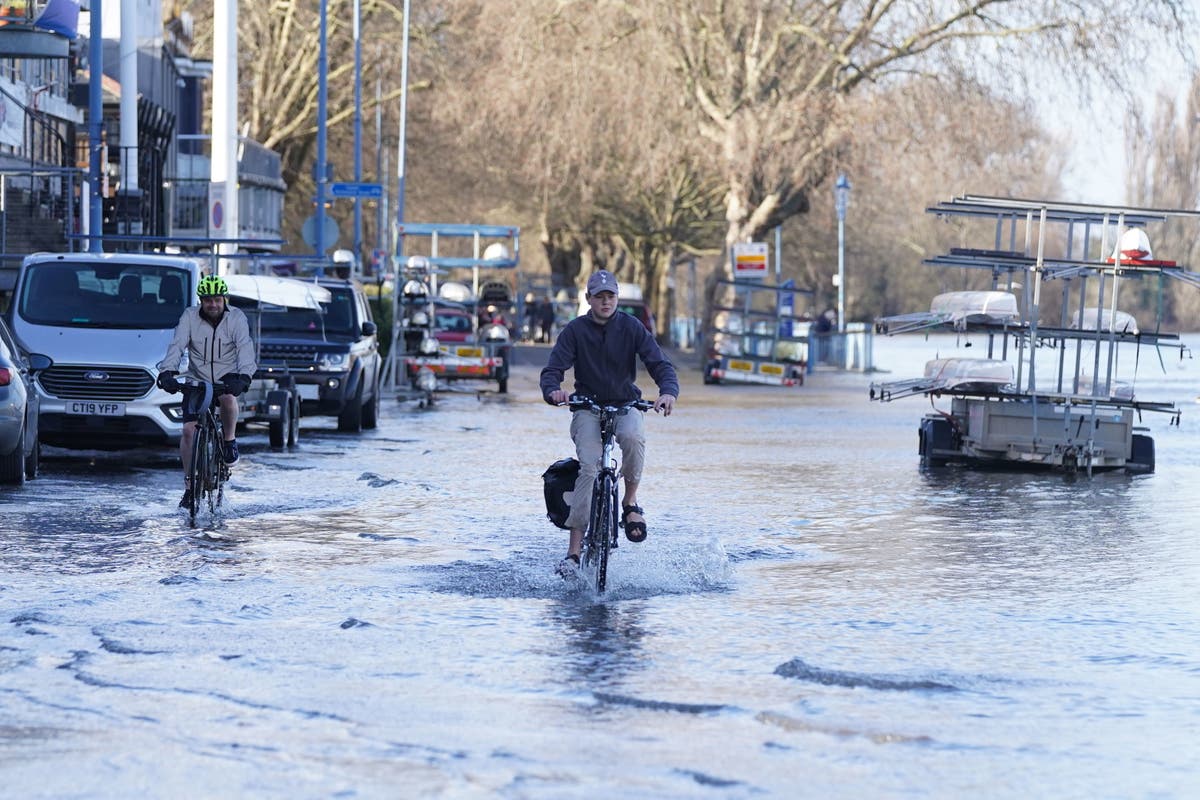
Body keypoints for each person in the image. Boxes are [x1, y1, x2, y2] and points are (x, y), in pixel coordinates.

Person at [540, 269, 678, 577]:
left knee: (633, 437)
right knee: (589, 467)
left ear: (617, 298)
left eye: (610, 296)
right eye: (599, 296)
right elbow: (553, 370)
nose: (605, 302)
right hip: (586, 407)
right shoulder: (575, 331)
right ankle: (574, 552)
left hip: (625, 403)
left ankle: (630, 503)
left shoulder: (633, 328)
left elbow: (659, 364)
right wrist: (553, 391)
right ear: (588, 299)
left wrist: (667, 393)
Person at [156, 275, 257, 508]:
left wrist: (244, 376)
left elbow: (245, 348)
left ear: (225, 300)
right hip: (197, 379)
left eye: (217, 300)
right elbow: (177, 345)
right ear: (201, 301)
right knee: (189, 432)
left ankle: (229, 441)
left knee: (229, 400)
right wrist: (167, 372)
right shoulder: (189, 317)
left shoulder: (237, 318)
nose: (213, 305)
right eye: (208, 300)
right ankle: (190, 487)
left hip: (227, 376)